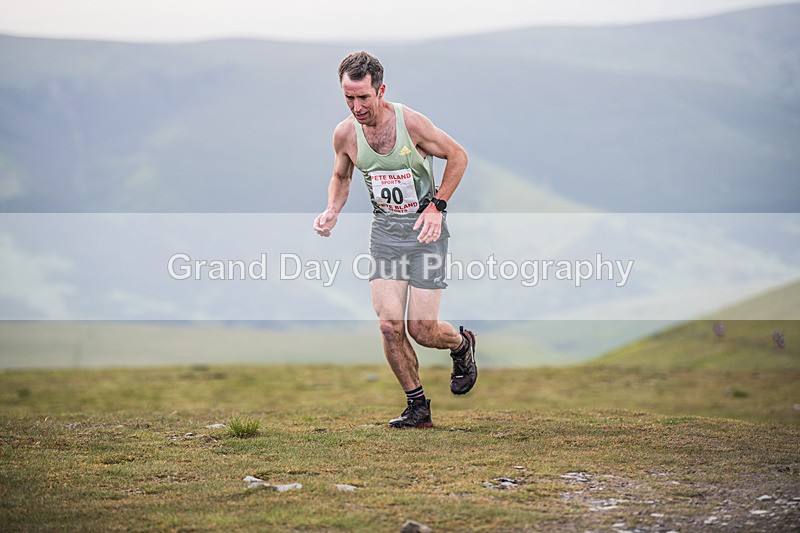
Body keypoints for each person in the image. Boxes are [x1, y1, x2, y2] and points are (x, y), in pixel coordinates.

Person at [313, 51, 476, 429]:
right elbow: (341, 176)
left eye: (364, 98)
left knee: (422, 330)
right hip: (385, 234)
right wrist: (332, 209)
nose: (357, 107)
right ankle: (417, 407)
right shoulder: (345, 134)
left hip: (425, 234)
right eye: (349, 98)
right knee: (389, 326)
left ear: (380, 90)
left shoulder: (411, 124)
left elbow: (458, 156)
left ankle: (462, 345)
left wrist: (436, 206)